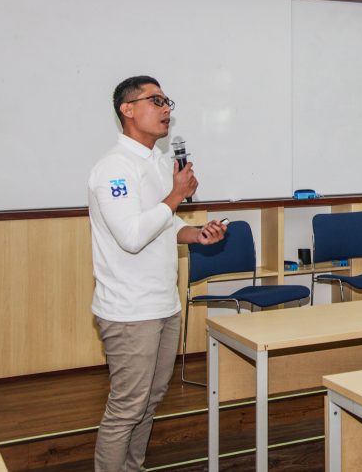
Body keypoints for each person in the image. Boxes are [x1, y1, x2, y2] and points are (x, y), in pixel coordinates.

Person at [89, 75, 227, 472]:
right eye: (156, 100)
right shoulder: (114, 168)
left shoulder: (160, 162)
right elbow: (131, 236)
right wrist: (176, 195)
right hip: (128, 310)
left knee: (150, 401)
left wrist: (197, 234)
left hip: (163, 303)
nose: (167, 109)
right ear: (127, 109)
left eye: (168, 101)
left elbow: (165, 226)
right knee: (127, 407)